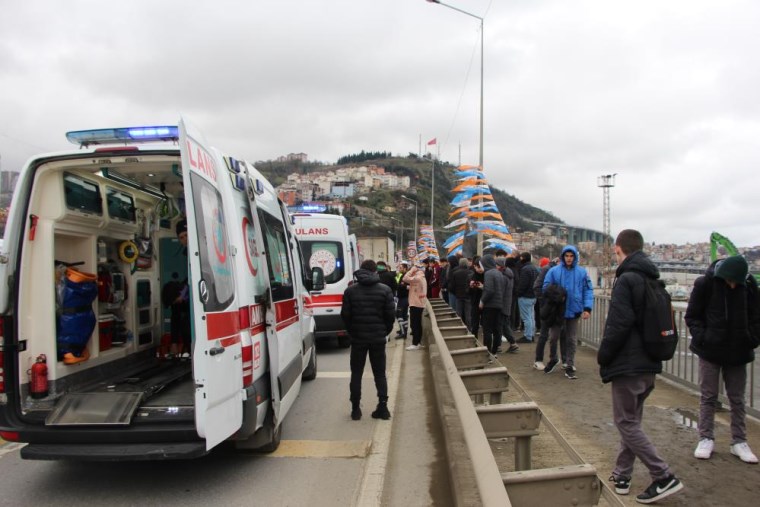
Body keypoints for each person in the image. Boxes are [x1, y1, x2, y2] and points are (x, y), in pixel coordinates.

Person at [597, 229, 684, 503]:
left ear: (618, 249)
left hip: (629, 364)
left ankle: (663, 476)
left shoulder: (626, 280)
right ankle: (622, 475)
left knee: (625, 423)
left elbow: (618, 323)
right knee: (631, 423)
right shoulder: (652, 280)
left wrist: (604, 356)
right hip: (649, 364)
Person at [686, 255, 760, 464]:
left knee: (737, 399)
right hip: (710, 349)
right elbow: (692, 316)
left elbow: (757, 315)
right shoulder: (705, 283)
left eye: (736, 282)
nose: (732, 285)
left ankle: (739, 441)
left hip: (738, 350)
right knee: (708, 396)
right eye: (729, 281)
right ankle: (705, 437)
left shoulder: (749, 285)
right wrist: (704, 338)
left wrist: (751, 338)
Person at [341, 259, 396, 421]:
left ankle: (356, 409)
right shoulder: (385, 290)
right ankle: (383, 407)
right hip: (378, 338)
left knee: (356, 373)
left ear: (361, 270)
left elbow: (345, 315)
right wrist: (384, 331)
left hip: (358, 338)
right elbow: (390, 316)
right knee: (380, 373)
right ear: (375, 272)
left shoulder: (350, 291)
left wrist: (352, 332)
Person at [542, 245, 593, 379]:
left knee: (571, 339)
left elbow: (588, 290)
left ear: (574, 257)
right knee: (553, 337)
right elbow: (545, 287)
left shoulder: (582, 272)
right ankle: (553, 358)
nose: (569, 258)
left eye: (571, 256)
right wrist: (557, 295)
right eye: (567, 256)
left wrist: (587, 308)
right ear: (563, 257)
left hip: (574, 309)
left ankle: (570, 364)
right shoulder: (554, 271)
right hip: (557, 310)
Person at [168, 219, 191, 358]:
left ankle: (182, 345)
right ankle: (175, 344)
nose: (184, 239)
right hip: (188, 293)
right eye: (181, 237)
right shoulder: (186, 253)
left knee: (185, 319)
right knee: (175, 309)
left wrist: (183, 295)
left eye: (186, 235)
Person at [479, 254, 505, 355]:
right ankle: (494, 352)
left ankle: (487, 352)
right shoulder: (499, 273)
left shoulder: (488, 273)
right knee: (497, 329)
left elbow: (489, 290)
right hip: (499, 304)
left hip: (489, 305)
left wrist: (482, 301)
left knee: (487, 330)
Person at [496, 257, 519, 353]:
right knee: (504, 325)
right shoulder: (508, 274)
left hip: (502, 304)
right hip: (507, 303)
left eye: (496, 265)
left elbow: (499, 291)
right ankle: (512, 344)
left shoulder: (503, 277)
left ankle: (498, 346)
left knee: (500, 325)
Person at [403, 263, 428, 351]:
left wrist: (411, 270)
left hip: (416, 303)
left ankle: (415, 343)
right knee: (417, 324)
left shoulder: (418, 277)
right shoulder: (420, 277)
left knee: (415, 324)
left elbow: (405, 278)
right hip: (418, 303)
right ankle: (418, 343)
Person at [516, 252, 539, 343]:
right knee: (531, 317)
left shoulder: (525, 269)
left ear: (523, 258)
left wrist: (518, 293)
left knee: (526, 318)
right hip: (533, 295)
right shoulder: (534, 268)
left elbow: (523, 284)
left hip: (525, 296)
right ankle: (531, 334)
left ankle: (528, 336)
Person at [451, 257, 471, 328]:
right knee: (468, 314)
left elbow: (452, 286)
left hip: (458, 296)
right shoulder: (470, 273)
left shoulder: (455, 273)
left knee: (459, 313)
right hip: (468, 296)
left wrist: (455, 293)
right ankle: (469, 329)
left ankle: (459, 328)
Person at [394, 261, 410, 340]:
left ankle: (403, 333)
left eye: (401, 268)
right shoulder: (402, 275)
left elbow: (406, 286)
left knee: (400, 315)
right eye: (399, 267)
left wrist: (401, 286)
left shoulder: (406, 276)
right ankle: (403, 330)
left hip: (404, 298)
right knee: (403, 315)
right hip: (402, 298)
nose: (399, 269)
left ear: (405, 268)